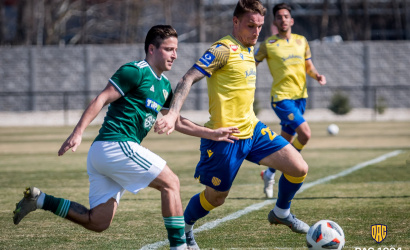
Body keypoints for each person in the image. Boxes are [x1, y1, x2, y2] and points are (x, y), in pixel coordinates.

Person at [12, 25, 240, 250]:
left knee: (98, 221)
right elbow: (101, 98)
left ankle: (40, 200)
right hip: (115, 144)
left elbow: (176, 120)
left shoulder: (164, 85)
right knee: (171, 183)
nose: (175, 55)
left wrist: (212, 133)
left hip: (105, 155)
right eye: (169, 49)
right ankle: (179, 247)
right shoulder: (136, 70)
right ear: (151, 49)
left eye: (176, 49)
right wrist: (78, 132)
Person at [154, 1, 310, 248]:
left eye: (259, 26)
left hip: (254, 130)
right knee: (216, 198)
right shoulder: (222, 49)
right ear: (235, 22)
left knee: (298, 168)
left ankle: (281, 212)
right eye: (250, 25)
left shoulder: (250, 48)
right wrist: (173, 114)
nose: (256, 31)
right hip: (224, 136)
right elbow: (188, 78)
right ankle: (184, 227)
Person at [255, 3, 326, 199]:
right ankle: (290, 167)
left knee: (286, 141)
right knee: (305, 134)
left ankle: (269, 173)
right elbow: (252, 63)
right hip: (281, 98)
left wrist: (317, 76)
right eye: (279, 17)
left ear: (291, 20)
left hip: (300, 98)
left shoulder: (301, 41)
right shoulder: (268, 44)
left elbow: (308, 66)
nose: (283, 19)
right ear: (275, 21)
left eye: (286, 16)